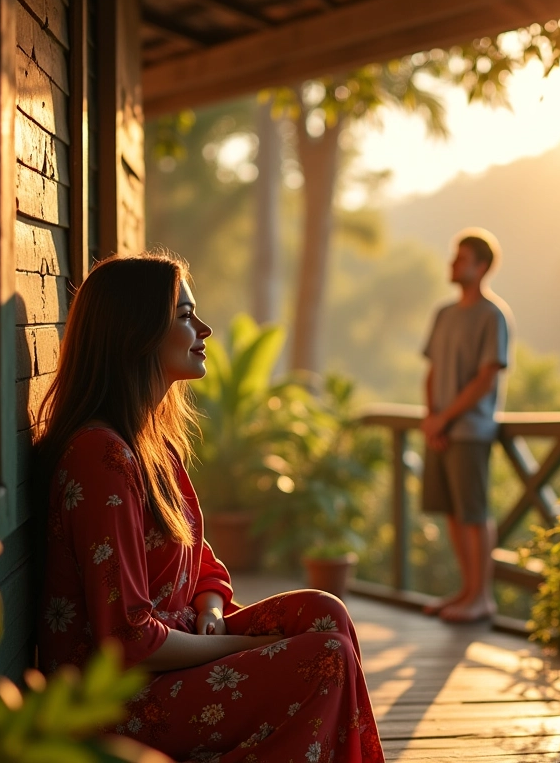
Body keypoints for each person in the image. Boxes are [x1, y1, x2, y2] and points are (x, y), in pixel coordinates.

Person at [35, 252, 385, 763]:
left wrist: (211, 608)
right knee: (323, 657)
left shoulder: (149, 443)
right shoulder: (100, 456)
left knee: (325, 613)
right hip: (119, 701)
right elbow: (129, 638)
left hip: (175, 654)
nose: (205, 328)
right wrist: (243, 649)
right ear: (136, 333)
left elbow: (200, 560)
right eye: (183, 316)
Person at [420, 231, 511, 623]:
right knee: (454, 512)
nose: (453, 264)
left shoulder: (493, 316)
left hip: (472, 432)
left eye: (461, 259)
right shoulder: (444, 313)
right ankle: (466, 590)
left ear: (482, 266)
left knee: (474, 511)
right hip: (441, 429)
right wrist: (431, 417)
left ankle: (482, 597)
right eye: (454, 257)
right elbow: (433, 370)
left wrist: (446, 416)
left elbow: (485, 379)